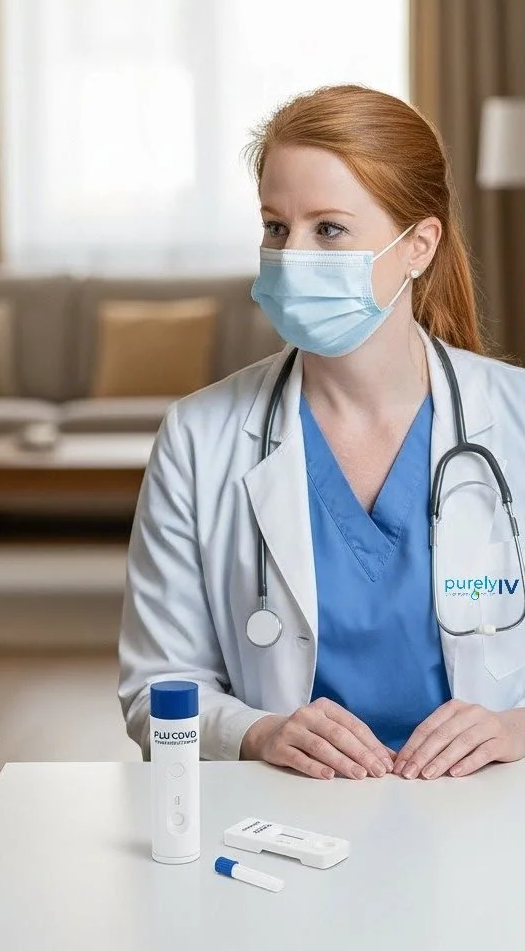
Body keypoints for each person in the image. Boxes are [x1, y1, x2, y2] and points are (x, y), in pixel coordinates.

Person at [120, 85, 525, 784]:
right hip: (286, 815)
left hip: (489, 806)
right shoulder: (198, 437)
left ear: (418, 246)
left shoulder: (515, 418)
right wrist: (256, 733)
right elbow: (155, 690)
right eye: (276, 227)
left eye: (328, 230)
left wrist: (515, 727)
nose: (292, 256)